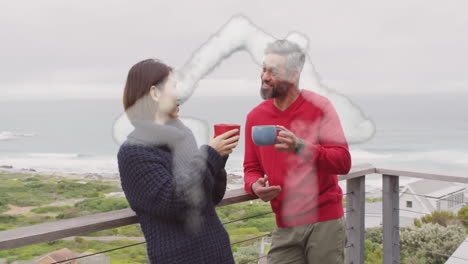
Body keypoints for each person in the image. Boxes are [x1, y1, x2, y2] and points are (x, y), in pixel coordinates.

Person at [117, 59, 237, 263]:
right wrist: (210, 156)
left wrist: (219, 158)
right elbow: (174, 202)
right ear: (155, 93)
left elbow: (210, 197)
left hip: (217, 253)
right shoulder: (134, 152)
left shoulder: (183, 136)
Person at [243, 40, 352, 264]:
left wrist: (300, 147)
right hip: (284, 224)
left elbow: (343, 161)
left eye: (272, 71)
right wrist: (254, 186)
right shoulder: (255, 117)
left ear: (293, 75)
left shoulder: (320, 107)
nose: (264, 77)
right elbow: (251, 168)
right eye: (263, 69)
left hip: (325, 223)